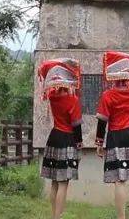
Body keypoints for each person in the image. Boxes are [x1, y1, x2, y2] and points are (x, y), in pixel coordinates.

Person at [95, 51, 129, 219]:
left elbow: (102, 122)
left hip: (115, 136)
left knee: (120, 181)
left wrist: (99, 143)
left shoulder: (108, 95)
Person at [38, 58, 83, 219]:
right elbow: (76, 125)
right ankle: (59, 216)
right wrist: (80, 144)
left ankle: (53, 215)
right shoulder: (72, 100)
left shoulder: (53, 97)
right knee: (63, 182)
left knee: (54, 182)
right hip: (68, 139)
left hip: (54, 137)